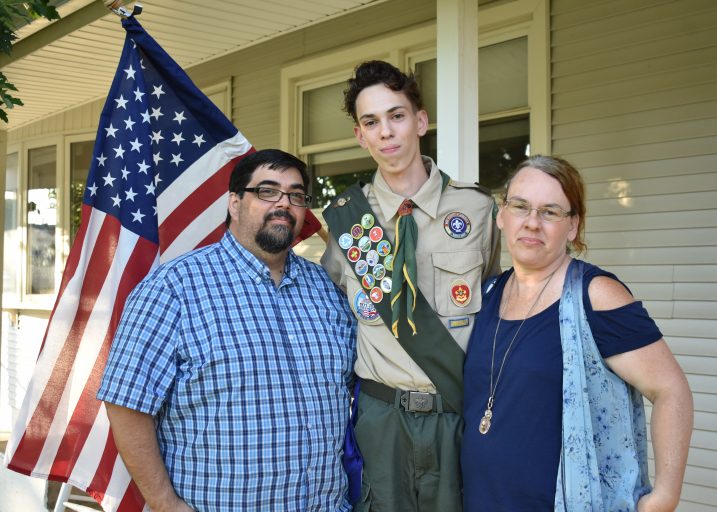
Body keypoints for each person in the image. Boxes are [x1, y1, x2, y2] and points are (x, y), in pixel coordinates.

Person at [97, 149, 357, 511]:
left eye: (296, 195)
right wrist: (165, 503)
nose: (284, 204)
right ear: (235, 203)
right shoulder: (173, 287)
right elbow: (126, 405)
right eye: (267, 191)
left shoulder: (326, 287)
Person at [462, 155, 694, 511]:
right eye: (520, 206)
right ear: (501, 215)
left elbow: (671, 390)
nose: (532, 223)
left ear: (573, 226)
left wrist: (665, 495)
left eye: (550, 212)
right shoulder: (490, 293)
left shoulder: (595, 295)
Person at [321, 60, 501, 512]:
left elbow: (500, 306)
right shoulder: (348, 220)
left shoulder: (477, 210)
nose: (386, 131)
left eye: (396, 115)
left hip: (456, 413)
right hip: (380, 418)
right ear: (361, 136)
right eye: (371, 122)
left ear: (420, 121)